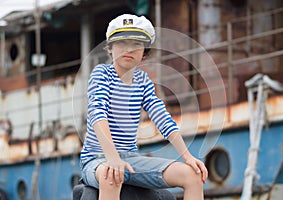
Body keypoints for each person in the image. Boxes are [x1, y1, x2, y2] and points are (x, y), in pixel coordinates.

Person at [80, 14, 208, 200]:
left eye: (136, 44)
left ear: (144, 51)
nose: (129, 49)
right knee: (111, 175)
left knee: (192, 175)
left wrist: (187, 156)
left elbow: (161, 117)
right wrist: (113, 158)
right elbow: (98, 113)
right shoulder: (102, 74)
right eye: (121, 43)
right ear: (110, 47)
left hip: (131, 158)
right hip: (97, 158)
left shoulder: (143, 81)